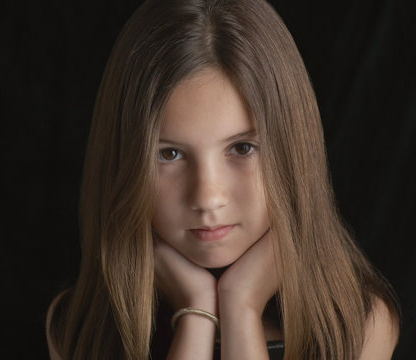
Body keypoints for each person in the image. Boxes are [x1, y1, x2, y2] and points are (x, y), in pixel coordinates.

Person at [46, 0, 400, 358]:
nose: (208, 197)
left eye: (242, 148)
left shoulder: (356, 325)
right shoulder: (82, 328)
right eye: (169, 154)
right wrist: (197, 314)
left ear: (293, 153)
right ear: (123, 163)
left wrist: (240, 305)